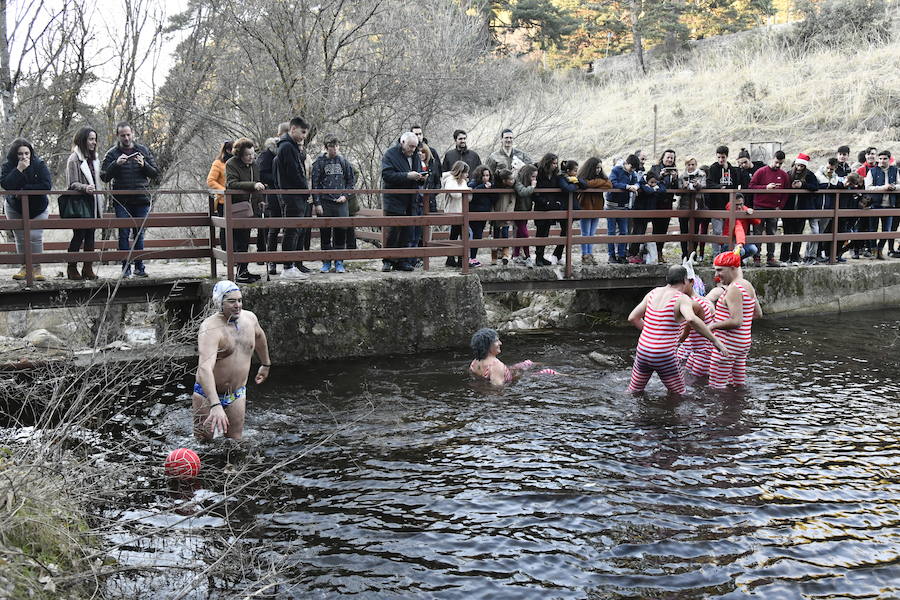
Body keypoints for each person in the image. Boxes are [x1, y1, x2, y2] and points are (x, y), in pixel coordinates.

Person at [627, 265, 726, 396]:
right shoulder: (681, 298)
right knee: (679, 394)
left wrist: (652, 333)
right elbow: (691, 319)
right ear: (685, 281)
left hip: (643, 350)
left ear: (667, 279)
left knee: (634, 390)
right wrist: (716, 341)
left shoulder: (653, 292)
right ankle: (671, 416)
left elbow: (632, 318)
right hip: (664, 354)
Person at [193, 280, 271, 441]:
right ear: (219, 302)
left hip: (236, 393)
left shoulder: (250, 319)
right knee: (204, 441)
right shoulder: (210, 329)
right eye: (231, 301)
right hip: (207, 396)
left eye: (240, 300)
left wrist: (265, 364)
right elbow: (204, 369)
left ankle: (231, 468)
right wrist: (215, 404)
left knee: (235, 442)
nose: (238, 305)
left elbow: (260, 336)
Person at [100, 122, 159, 278]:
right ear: (118, 136)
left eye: (128, 134)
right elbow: (104, 176)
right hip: (122, 201)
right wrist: (116, 164)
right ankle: (125, 268)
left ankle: (140, 267)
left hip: (141, 199)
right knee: (123, 234)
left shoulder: (143, 150)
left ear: (133, 134)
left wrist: (144, 165)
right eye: (122, 135)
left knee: (139, 234)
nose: (126, 138)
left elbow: (155, 173)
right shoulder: (112, 153)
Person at [708, 248, 762, 389]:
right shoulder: (747, 285)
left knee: (716, 388)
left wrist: (712, 326)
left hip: (727, 345)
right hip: (742, 344)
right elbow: (758, 314)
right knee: (737, 385)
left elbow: (736, 321)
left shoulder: (734, 289)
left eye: (720, 270)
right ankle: (738, 410)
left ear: (732, 268)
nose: (717, 275)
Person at [1, 138, 51, 281]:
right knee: (21, 237)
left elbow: (46, 185)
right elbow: (6, 185)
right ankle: (24, 267)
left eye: (27, 153)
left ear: (31, 153)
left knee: (35, 236)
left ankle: (37, 268)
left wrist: (24, 190)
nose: (24, 157)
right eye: (20, 154)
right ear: (14, 155)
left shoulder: (39, 164)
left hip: (38, 208)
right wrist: (19, 170)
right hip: (14, 207)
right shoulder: (8, 166)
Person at [274, 116, 317, 279]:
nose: (304, 136)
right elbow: (294, 174)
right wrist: (306, 191)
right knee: (291, 230)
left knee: (296, 230)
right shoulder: (287, 147)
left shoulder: (291, 147)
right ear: (293, 129)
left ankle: (291, 265)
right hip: (292, 196)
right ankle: (287, 267)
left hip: (295, 195)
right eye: (303, 132)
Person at [63, 126, 103, 280]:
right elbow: (71, 183)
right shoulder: (74, 159)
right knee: (79, 235)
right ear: (83, 140)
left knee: (91, 235)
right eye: (90, 139)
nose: (94, 142)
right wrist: (85, 187)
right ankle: (71, 269)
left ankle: (88, 268)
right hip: (80, 202)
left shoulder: (94, 159)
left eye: (95, 139)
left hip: (92, 202)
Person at [311, 134, 356, 274]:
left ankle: (339, 262)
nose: (334, 149)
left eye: (336, 146)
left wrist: (346, 196)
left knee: (340, 232)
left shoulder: (344, 162)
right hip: (325, 202)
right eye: (331, 147)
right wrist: (317, 203)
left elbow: (351, 182)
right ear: (326, 148)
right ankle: (326, 262)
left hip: (341, 203)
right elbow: (315, 184)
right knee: (325, 233)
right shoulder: (319, 163)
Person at [381, 131, 425, 272]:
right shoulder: (390, 154)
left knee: (408, 231)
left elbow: (417, 172)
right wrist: (407, 176)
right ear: (402, 143)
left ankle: (403, 260)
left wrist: (421, 177)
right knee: (392, 232)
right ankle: (388, 260)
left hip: (411, 199)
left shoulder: (416, 156)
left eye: (415, 147)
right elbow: (387, 175)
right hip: (394, 200)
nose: (413, 150)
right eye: (410, 146)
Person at [225, 137, 265, 283]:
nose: (251, 157)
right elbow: (232, 183)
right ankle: (240, 273)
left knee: (246, 239)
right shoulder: (231, 164)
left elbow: (258, 183)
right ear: (240, 154)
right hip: (237, 207)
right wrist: (253, 185)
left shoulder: (254, 165)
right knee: (240, 240)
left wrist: (261, 200)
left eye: (252, 154)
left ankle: (244, 270)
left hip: (251, 207)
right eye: (248, 155)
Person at [676, 255, 715, 379]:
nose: (679, 287)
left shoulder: (699, 303)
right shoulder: (683, 301)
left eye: (683, 283)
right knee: (687, 379)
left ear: (692, 282)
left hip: (702, 351)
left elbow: (687, 330)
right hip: (691, 348)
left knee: (696, 382)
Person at [259, 122, 290, 276]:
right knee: (274, 229)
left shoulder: (289, 150)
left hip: (287, 196)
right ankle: (271, 260)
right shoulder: (267, 154)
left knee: (289, 229)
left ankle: (288, 262)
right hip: (273, 195)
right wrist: (279, 179)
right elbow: (262, 173)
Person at [749, 150, 789, 267]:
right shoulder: (761, 171)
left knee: (772, 232)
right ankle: (757, 257)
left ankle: (770, 257)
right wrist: (765, 187)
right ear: (772, 159)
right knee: (758, 233)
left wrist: (780, 206)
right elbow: (751, 186)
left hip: (773, 208)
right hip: (759, 207)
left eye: (780, 163)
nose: (778, 165)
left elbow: (786, 192)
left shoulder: (783, 175)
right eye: (776, 162)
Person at [782, 153, 820, 266]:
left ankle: (795, 257)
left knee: (798, 234)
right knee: (787, 234)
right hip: (788, 208)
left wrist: (803, 185)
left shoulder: (809, 175)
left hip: (802, 208)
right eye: (797, 166)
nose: (799, 168)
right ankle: (784, 258)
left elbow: (815, 187)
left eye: (801, 166)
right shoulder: (788, 174)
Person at [468, 327, 538, 386]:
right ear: (487, 345)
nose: (500, 343)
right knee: (548, 371)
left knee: (528, 363)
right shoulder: (496, 366)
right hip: (511, 376)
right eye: (496, 341)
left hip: (507, 372)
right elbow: (497, 390)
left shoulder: (475, 362)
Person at [533, 153, 568, 266]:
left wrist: (556, 203)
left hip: (551, 207)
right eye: (553, 163)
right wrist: (544, 202)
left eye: (556, 163)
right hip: (540, 207)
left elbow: (559, 190)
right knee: (540, 232)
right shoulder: (539, 174)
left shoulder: (555, 176)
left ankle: (541, 256)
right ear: (547, 163)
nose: (555, 165)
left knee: (546, 232)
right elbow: (535, 192)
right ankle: (538, 257)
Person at [576, 157, 612, 264]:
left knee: (592, 233)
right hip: (586, 207)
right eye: (596, 168)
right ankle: (585, 255)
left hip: (597, 207)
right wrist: (598, 183)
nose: (598, 170)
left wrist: (596, 182)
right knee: (585, 233)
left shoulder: (601, 177)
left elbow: (609, 184)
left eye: (600, 168)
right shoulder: (582, 176)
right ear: (591, 168)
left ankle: (590, 254)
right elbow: (585, 183)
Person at [864, 150, 899, 260]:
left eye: (885, 159)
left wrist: (894, 188)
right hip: (875, 204)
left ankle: (880, 249)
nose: (882, 161)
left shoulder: (895, 170)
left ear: (889, 159)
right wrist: (882, 188)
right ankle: (874, 251)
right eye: (880, 159)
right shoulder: (872, 171)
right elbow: (868, 187)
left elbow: (899, 184)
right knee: (872, 229)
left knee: (887, 230)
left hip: (890, 204)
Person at [707, 145, 740, 258]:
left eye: (723, 157)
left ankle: (728, 254)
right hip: (716, 204)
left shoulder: (733, 170)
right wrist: (720, 187)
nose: (721, 160)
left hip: (729, 205)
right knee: (717, 232)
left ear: (727, 157)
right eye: (719, 157)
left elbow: (736, 185)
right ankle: (716, 255)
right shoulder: (713, 168)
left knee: (729, 231)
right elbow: (709, 183)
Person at [647, 149, 679, 261]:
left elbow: (676, 189)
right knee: (656, 229)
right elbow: (650, 182)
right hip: (656, 202)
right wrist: (660, 176)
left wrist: (675, 179)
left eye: (672, 158)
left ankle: (659, 252)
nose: (670, 160)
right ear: (663, 158)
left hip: (668, 203)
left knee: (664, 229)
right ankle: (652, 253)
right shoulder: (655, 168)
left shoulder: (674, 170)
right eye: (668, 157)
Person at [607, 154, 640, 264]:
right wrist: (627, 187)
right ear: (627, 164)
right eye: (631, 168)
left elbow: (637, 182)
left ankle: (621, 255)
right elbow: (613, 183)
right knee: (611, 232)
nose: (632, 171)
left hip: (624, 206)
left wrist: (636, 186)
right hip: (612, 206)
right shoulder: (616, 170)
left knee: (624, 231)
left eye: (634, 169)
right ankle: (611, 255)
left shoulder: (632, 173)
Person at [628, 172, 667, 263]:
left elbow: (663, 190)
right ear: (647, 180)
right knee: (637, 233)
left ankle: (638, 254)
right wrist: (654, 189)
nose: (654, 184)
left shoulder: (656, 184)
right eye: (651, 182)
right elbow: (647, 190)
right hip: (639, 212)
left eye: (655, 182)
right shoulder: (641, 183)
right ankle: (632, 253)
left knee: (642, 233)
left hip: (647, 213)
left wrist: (653, 187)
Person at [809, 157, 841, 264]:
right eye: (827, 168)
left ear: (835, 168)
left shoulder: (835, 178)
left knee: (821, 233)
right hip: (816, 208)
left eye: (831, 169)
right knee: (815, 233)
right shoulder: (817, 175)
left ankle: (816, 254)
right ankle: (809, 256)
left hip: (827, 209)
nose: (828, 170)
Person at [440, 160, 470, 268]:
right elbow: (455, 194)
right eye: (466, 172)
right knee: (457, 234)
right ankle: (454, 258)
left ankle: (455, 258)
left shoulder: (462, 181)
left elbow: (468, 196)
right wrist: (465, 188)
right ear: (460, 172)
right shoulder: (450, 180)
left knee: (460, 234)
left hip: (461, 210)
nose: (467, 175)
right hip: (453, 211)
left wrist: (464, 187)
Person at [207, 140, 233, 253]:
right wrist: (224, 191)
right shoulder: (218, 163)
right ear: (228, 150)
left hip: (237, 200)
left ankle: (236, 253)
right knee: (225, 228)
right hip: (223, 201)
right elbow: (211, 181)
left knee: (236, 228)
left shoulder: (237, 162)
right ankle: (225, 253)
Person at [678, 157, 706, 261]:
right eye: (688, 164)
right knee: (684, 231)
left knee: (695, 231)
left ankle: (693, 255)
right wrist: (684, 187)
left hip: (697, 205)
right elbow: (678, 189)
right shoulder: (682, 176)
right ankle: (684, 254)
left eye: (693, 164)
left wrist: (697, 184)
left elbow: (704, 185)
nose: (691, 166)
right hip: (684, 206)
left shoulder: (702, 174)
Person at [468, 164, 495, 267]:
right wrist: (483, 187)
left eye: (487, 175)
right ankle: (471, 258)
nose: (486, 178)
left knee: (478, 236)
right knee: (474, 235)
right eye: (484, 175)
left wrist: (491, 189)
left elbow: (493, 199)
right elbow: (472, 195)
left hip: (484, 214)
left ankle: (473, 258)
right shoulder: (474, 183)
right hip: (474, 213)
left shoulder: (490, 185)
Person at [512, 164, 537, 267]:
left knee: (520, 233)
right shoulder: (518, 181)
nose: (534, 179)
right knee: (525, 234)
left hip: (526, 209)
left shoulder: (529, 182)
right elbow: (522, 192)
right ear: (527, 175)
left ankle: (516, 255)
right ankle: (528, 256)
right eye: (533, 176)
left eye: (536, 177)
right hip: (518, 211)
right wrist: (533, 187)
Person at [492, 168, 516, 266]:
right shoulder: (496, 188)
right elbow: (492, 202)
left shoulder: (511, 190)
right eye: (510, 179)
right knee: (495, 235)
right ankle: (494, 256)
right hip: (496, 215)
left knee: (505, 233)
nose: (512, 181)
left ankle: (506, 254)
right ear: (504, 180)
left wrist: (508, 214)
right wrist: (492, 214)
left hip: (506, 215)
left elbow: (512, 202)